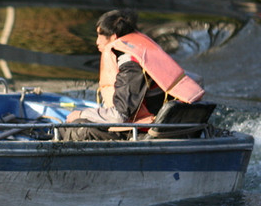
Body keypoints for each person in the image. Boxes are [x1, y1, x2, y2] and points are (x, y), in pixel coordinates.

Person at [62, 9, 205, 141]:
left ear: (113, 36)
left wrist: (81, 114)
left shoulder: (130, 66)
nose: (97, 41)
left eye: (100, 35)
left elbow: (119, 116)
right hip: (164, 125)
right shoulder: (144, 54)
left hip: (145, 132)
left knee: (78, 127)